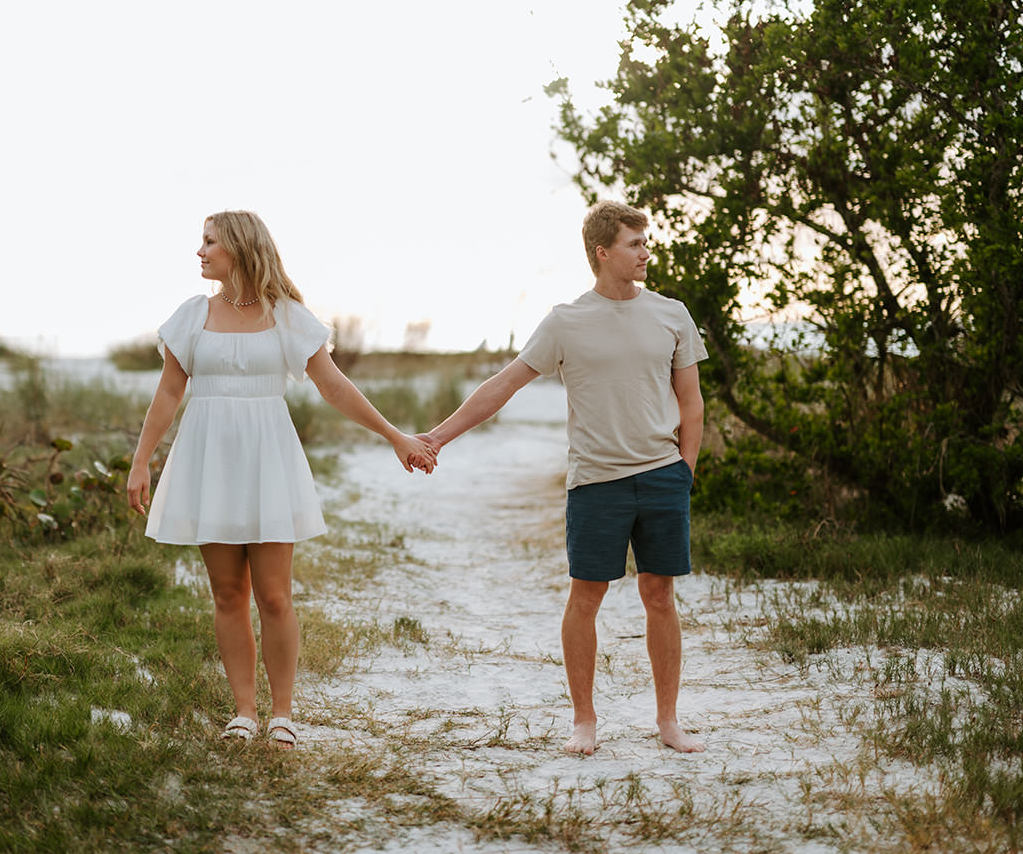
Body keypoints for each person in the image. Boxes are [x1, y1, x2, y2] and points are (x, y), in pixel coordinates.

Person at [127, 210, 435, 750]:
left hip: (268, 460)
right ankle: (244, 711)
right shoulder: (191, 316)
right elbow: (169, 393)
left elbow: (334, 386)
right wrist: (140, 461)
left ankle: (283, 714)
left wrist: (394, 435)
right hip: (209, 460)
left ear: (240, 248)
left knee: (273, 596)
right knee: (226, 593)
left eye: (209, 242)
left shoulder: (287, 316)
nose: (199, 252)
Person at [416, 201, 707, 756]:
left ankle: (668, 722)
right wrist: (436, 437)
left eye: (646, 242)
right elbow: (501, 388)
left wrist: (683, 472)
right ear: (603, 252)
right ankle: (584, 722)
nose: (646, 252)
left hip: (662, 478)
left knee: (660, 596)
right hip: (596, 483)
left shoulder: (672, 314)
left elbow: (691, 404)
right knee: (586, 596)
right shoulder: (565, 321)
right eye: (634, 244)